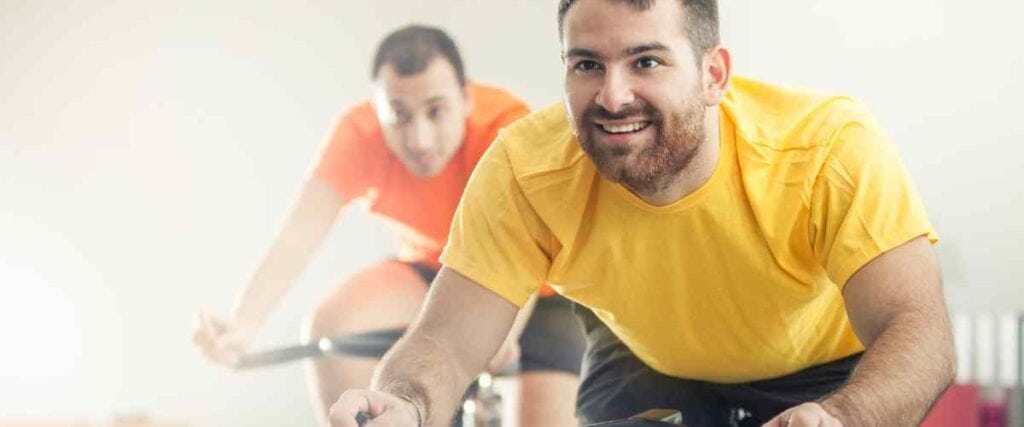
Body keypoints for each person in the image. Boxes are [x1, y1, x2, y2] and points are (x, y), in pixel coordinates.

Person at [327, 2, 956, 427]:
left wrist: (844, 416)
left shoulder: (827, 149)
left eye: (646, 61)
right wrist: (404, 404)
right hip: (642, 358)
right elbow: (445, 341)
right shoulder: (525, 168)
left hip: (820, 375)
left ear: (714, 75)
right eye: (587, 65)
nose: (612, 95)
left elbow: (919, 333)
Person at [191, 25, 585, 427]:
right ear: (377, 108)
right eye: (398, 115)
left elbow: (528, 249)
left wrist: (498, 334)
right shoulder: (358, 134)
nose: (419, 139)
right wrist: (243, 325)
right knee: (331, 326)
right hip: (435, 270)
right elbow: (298, 235)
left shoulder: (508, 128)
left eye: (435, 111)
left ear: (466, 99)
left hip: (538, 287)